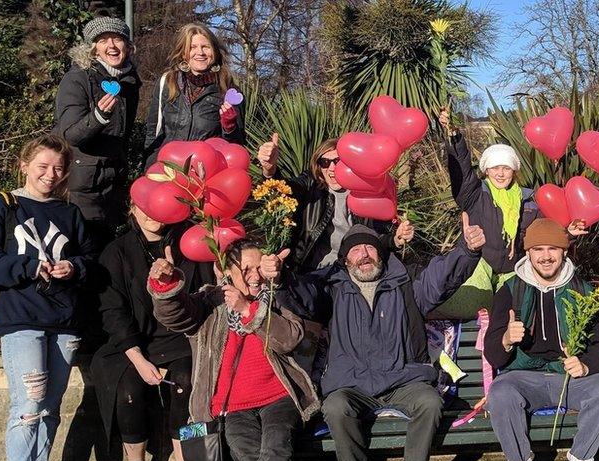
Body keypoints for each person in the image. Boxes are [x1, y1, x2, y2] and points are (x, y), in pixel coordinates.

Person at [281, 218, 486, 461]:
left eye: (369, 247)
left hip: (403, 378)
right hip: (352, 385)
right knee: (335, 407)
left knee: (429, 402)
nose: (363, 254)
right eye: (355, 250)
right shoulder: (332, 287)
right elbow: (302, 295)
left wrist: (467, 251)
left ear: (380, 252)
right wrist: (279, 278)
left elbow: (441, 277)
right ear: (345, 259)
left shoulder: (406, 282)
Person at [149, 239, 319, 461]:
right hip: (232, 406)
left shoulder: (275, 298)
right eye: (246, 269)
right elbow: (175, 315)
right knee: (247, 450)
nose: (255, 276)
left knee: (276, 447)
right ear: (226, 270)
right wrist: (167, 285)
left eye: (259, 268)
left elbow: (290, 338)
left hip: (279, 397)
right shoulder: (209, 302)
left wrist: (248, 309)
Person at [0, 135, 97, 461]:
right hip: (22, 321)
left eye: (57, 168)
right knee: (27, 405)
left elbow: (90, 260)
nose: (50, 175)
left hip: (63, 323)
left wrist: (74, 268)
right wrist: (29, 267)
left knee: (49, 406)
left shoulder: (70, 213)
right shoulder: (4, 206)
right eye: (42, 166)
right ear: (24, 165)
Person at [482, 218, 599, 461]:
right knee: (501, 392)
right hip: (523, 378)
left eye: (553, 249)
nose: (545, 256)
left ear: (564, 252)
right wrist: (507, 339)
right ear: (528, 253)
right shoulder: (510, 290)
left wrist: (585, 365)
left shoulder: (582, 290)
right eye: (538, 249)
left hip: (568, 379)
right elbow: (494, 355)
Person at [90, 203, 212, 461]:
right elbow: (113, 311)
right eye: (144, 206)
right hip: (134, 342)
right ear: (131, 208)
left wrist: (175, 282)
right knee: (127, 389)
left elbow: (206, 291)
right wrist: (139, 359)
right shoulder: (117, 252)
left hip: (182, 335)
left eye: (159, 204)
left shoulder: (188, 243)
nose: (152, 213)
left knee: (187, 383)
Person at [433, 111, 584, 319]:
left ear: (514, 171)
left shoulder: (529, 201)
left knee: (517, 313)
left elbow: (546, 236)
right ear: (486, 170)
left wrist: (570, 233)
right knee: (466, 305)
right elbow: (462, 170)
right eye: (495, 168)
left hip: (514, 269)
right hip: (479, 265)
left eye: (506, 168)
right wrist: (455, 138)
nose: (500, 173)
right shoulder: (475, 195)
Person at [256, 136, 414, 273]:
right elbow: (285, 190)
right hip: (313, 270)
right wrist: (270, 170)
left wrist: (396, 240)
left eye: (338, 161)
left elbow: (377, 237)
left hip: (354, 271)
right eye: (325, 162)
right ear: (319, 166)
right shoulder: (311, 185)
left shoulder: (364, 192)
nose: (331, 168)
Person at [54, 16, 141, 246]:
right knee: (83, 250)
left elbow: (124, 136)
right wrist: (98, 117)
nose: (111, 46)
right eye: (104, 40)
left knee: (108, 252)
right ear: (94, 49)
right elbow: (70, 134)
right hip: (81, 186)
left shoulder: (130, 82)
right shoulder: (77, 79)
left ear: (127, 46)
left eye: (117, 39)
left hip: (114, 187)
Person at [143, 23, 244, 167]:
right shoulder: (167, 82)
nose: (200, 52)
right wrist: (150, 166)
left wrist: (230, 127)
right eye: (192, 47)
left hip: (207, 173)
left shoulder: (228, 90)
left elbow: (237, 146)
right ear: (183, 53)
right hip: (169, 170)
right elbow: (153, 131)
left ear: (214, 51)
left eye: (205, 47)